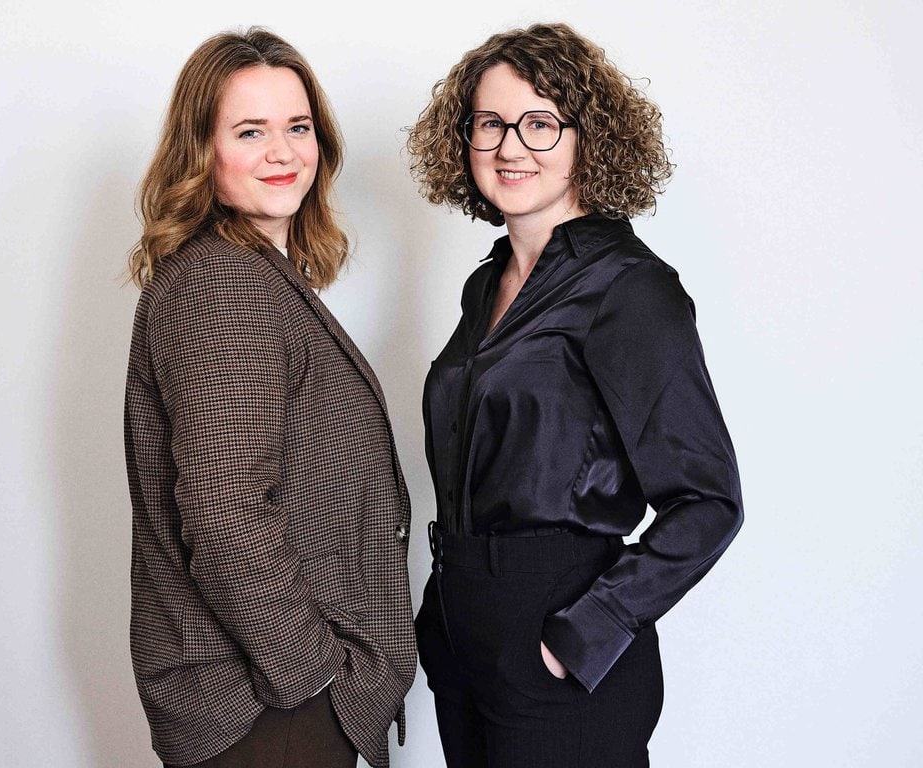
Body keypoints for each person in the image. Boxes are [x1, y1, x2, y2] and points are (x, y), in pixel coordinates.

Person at [405, 22, 743, 767]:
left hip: (556, 641)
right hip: (463, 638)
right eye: (490, 123)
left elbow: (709, 500)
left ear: (589, 139)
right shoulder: (485, 285)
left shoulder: (630, 289)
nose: (511, 146)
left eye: (540, 123)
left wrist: (583, 633)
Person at [123, 27, 416, 768]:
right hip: (262, 707)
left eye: (298, 127)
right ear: (201, 149)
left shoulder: (258, 275)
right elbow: (222, 506)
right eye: (250, 131)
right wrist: (311, 673)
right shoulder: (222, 283)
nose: (282, 153)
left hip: (271, 703)